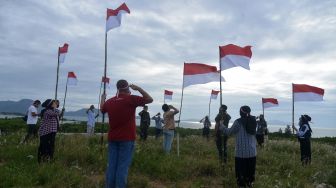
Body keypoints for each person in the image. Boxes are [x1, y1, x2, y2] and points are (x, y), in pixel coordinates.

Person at [101, 80, 153, 188]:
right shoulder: (131, 99)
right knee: (122, 167)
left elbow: (102, 109)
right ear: (127, 88)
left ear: (117, 88)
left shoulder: (110, 101)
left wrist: (102, 98)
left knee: (112, 166)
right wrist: (138, 88)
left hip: (112, 138)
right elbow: (149, 99)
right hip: (127, 139)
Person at [220, 105, 257, 187]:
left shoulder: (238, 122)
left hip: (241, 154)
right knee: (250, 177)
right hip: (252, 153)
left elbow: (229, 132)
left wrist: (222, 126)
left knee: (241, 178)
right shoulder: (254, 121)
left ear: (241, 112)